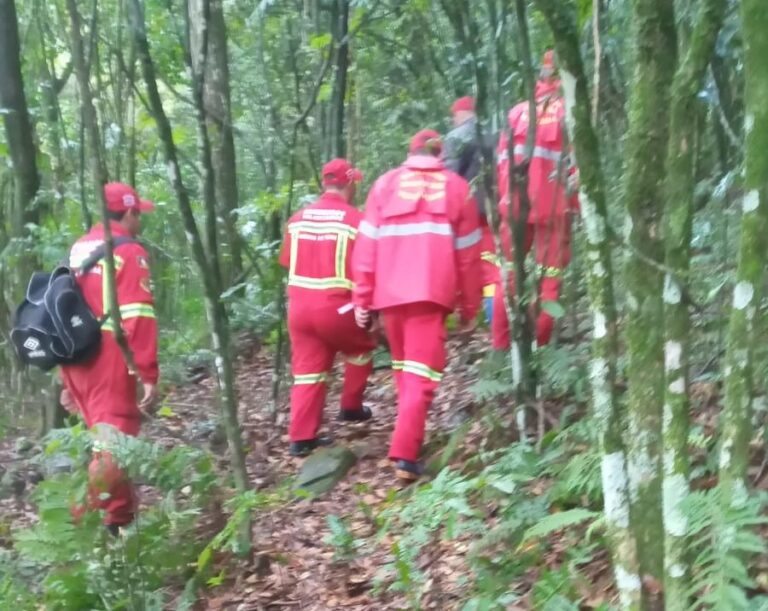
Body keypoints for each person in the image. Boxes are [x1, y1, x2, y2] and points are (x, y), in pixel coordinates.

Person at [352, 130, 482, 481]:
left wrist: (362, 298)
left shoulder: (384, 184)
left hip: (390, 297)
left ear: (410, 153)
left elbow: (366, 248)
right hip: (430, 296)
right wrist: (470, 307)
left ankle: (408, 439)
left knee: (405, 372)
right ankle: (406, 456)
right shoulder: (458, 188)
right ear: (441, 154)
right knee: (421, 377)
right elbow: (469, 257)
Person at [60, 182, 158, 532]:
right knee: (114, 446)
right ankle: (79, 527)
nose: (140, 221)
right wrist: (146, 372)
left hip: (76, 357)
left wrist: (65, 379)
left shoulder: (79, 247)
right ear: (128, 212)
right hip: (109, 359)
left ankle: (119, 524)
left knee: (105, 444)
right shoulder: (129, 251)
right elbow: (138, 316)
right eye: (138, 214)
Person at [279, 159, 376, 457]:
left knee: (307, 371)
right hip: (337, 309)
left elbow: (286, 262)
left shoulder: (297, 219)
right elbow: (365, 269)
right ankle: (351, 407)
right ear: (351, 184)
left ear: (325, 183)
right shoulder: (356, 220)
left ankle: (301, 438)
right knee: (361, 348)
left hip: (298, 311)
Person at [493, 50, 579, 349]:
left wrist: (503, 203)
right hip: (553, 209)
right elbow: (577, 171)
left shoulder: (516, 113)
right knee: (550, 280)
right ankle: (538, 348)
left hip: (514, 205)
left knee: (508, 275)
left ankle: (502, 347)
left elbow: (501, 164)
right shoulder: (570, 113)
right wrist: (577, 208)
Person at [443, 96, 500, 324]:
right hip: (492, 210)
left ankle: (465, 319)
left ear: (460, 114)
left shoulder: (456, 137)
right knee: (491, 270)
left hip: (466, 215)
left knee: (462, 266)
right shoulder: (494, 135)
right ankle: (495, 324)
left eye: (454, 117)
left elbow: (448, 179)